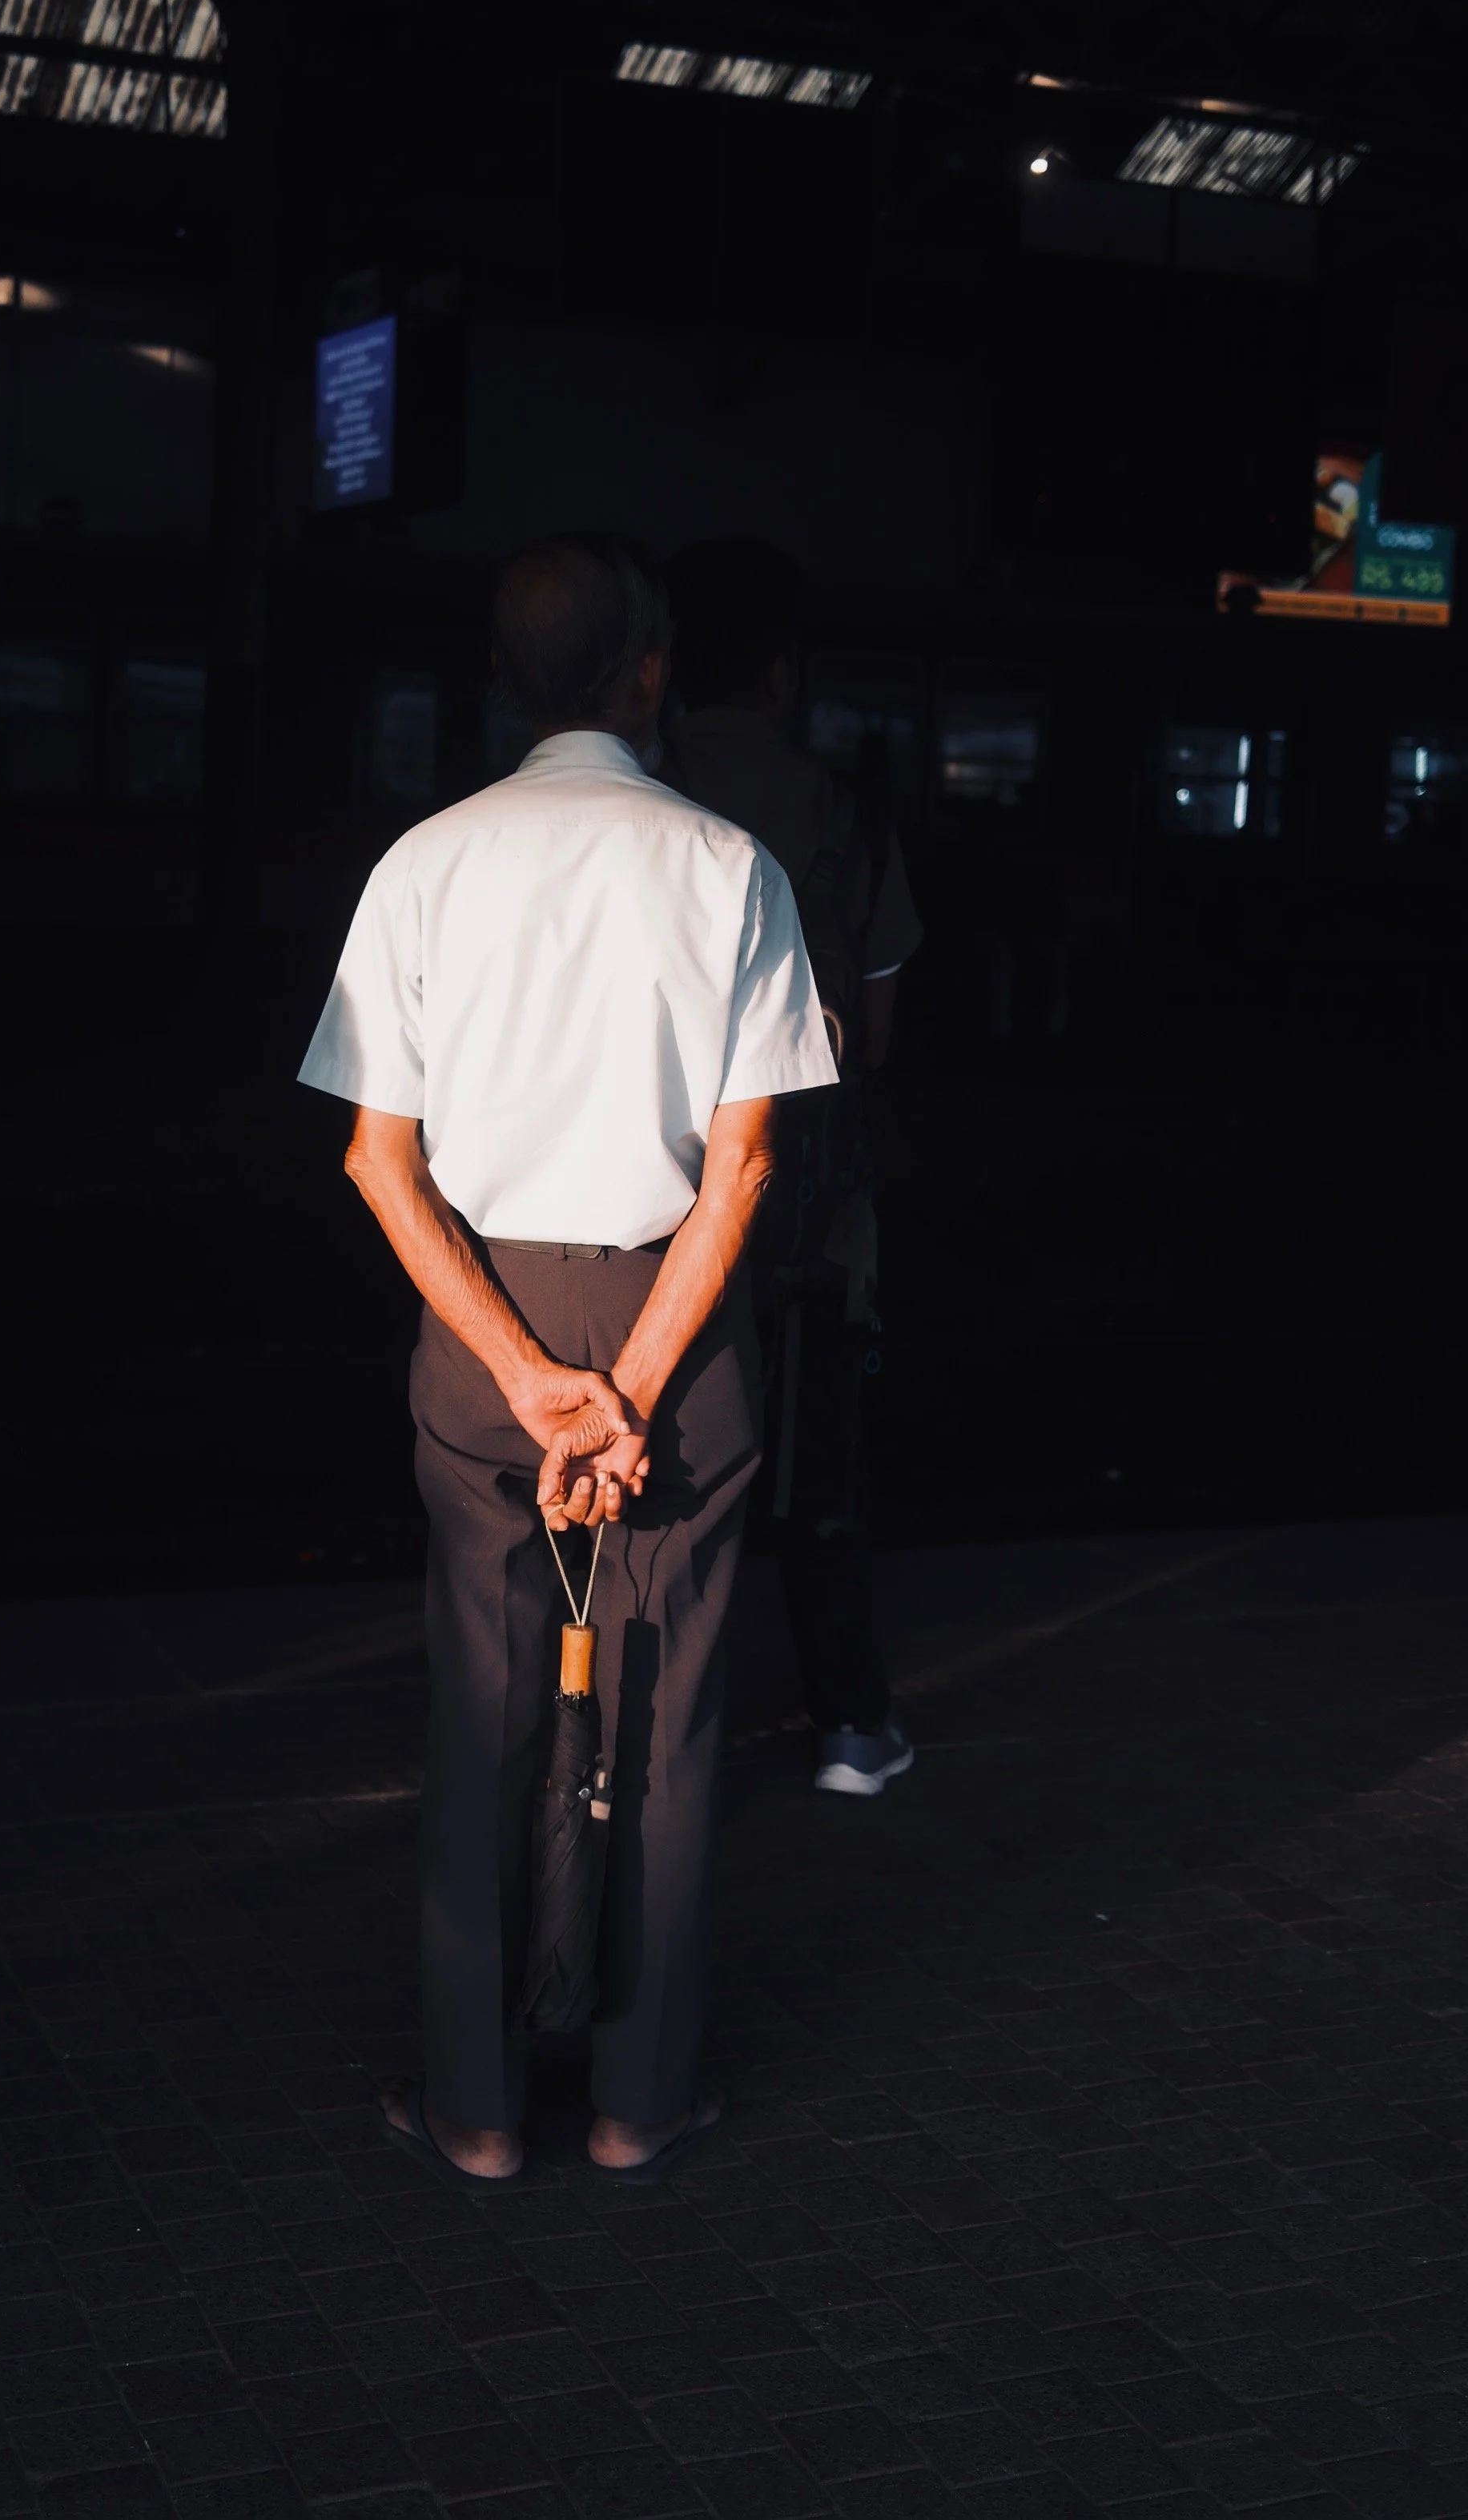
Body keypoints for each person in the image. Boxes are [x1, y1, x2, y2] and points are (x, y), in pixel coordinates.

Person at [299, 533, 837, 2183]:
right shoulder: (731, 866)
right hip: (680, 1324)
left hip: (483, 1342)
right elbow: (741, 1171)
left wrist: (531, 1381)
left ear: (505, 680)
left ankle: (472, 2108)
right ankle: (634, 2102)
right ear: (649, 671)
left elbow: (379, 1165)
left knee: (485, 1712)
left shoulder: (422, 865)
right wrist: (633, 1382)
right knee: (667, 1729)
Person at [666, 538, 922, 1798]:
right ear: (778, 676)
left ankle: (657, 1728)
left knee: (663, 1466)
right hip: (814, 1210)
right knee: (820, 1465)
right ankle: (849, 1722)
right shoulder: (848, 817)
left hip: (657, 1207)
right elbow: (868, 1036)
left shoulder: (644, 802)